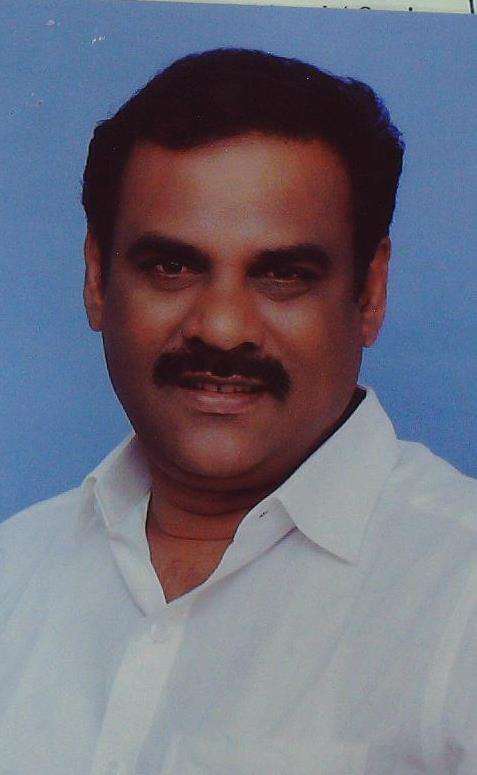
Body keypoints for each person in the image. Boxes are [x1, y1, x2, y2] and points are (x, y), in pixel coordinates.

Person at [1, 48, 476, 774]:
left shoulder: (459, 591)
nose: (222, 328)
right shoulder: (14, 572)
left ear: (370, 291)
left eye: (283, 274)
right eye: (172, 266)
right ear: (97, 279)